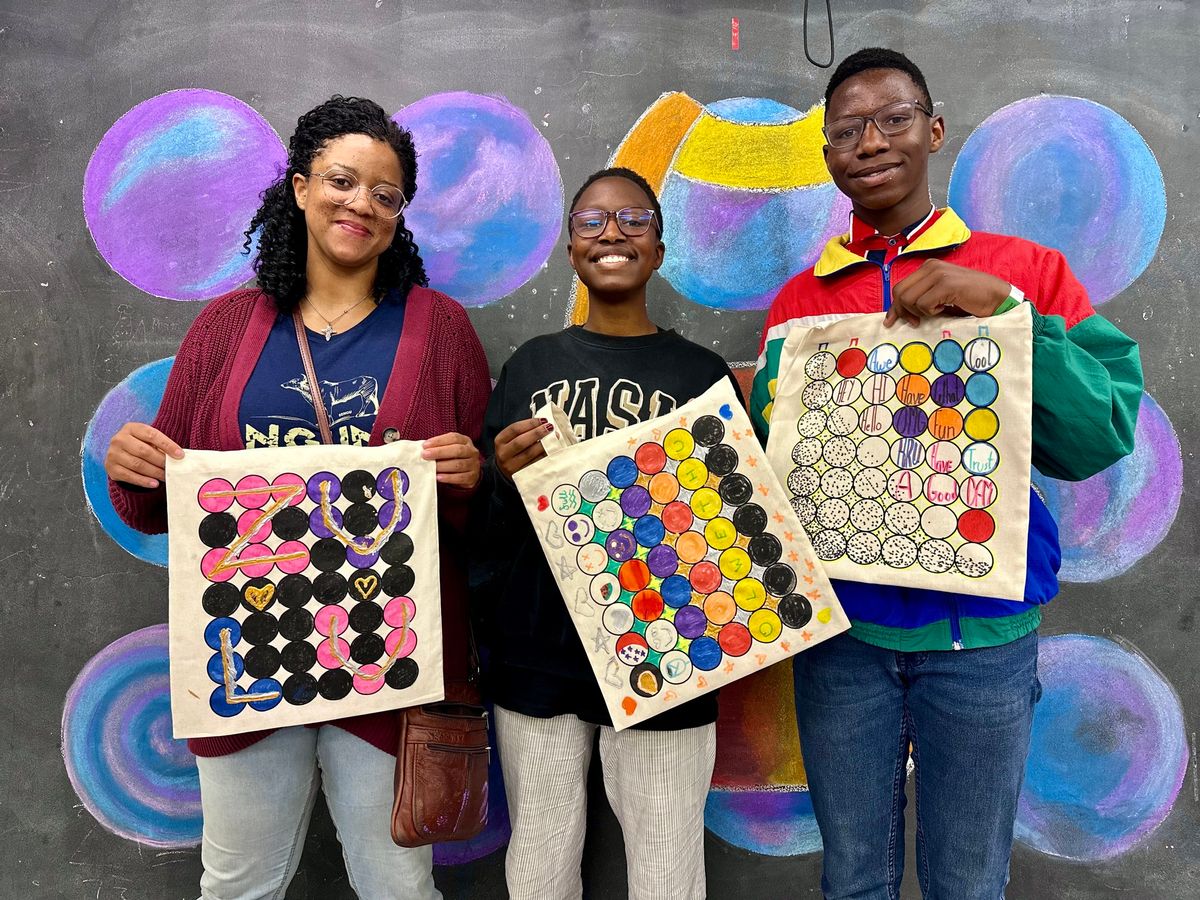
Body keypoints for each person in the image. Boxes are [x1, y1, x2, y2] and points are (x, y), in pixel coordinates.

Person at [751, 49, 1143, 899]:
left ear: (934, 130)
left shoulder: (1023, 273)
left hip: (983, 644)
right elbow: (773, 481)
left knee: (967, 883)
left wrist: (1003, 313)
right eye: (847, 130)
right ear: (826, 156)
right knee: (854, 879)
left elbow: (1101, 433)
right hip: (842, 643)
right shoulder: (797, 305)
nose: (871, 142)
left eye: (893, 119)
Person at [105, 95, 491, 900]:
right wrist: (134, 465)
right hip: (245, 660)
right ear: (299, 186)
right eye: (343, 181)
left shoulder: (440, 328)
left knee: (397, 885)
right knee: (238, 886)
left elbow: (483, 521)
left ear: (400, 216)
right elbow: (156, 504)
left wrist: (471, 475)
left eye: (386, 195)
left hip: (391, 661)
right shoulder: (224, 328)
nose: (362, 204)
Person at [476, 167, 739, 900]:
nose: (613, 232)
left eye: (633, 219)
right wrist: (500, 475)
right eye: (591, 221)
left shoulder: (701, 373)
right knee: (538, 868)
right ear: (569, 248)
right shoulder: (532, 365)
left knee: (666, 872)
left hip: (673, 659)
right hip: (539, 657)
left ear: (660, 247)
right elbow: (488, 529)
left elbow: (741, 529)